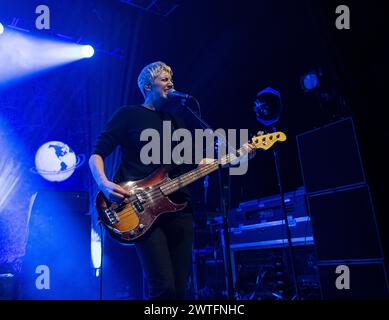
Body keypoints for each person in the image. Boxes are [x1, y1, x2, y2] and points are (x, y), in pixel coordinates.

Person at [89, 61, 196, 300]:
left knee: (180, 289)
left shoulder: (177, 122)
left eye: (171, 78)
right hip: (142, 209)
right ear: (148, 85)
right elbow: (96, 154)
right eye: (165, 79)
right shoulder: (129, 115)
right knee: (163, 288)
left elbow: (192, 160)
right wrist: (105, 184)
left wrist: (231, 157)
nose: (171, 83)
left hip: (180, 208)